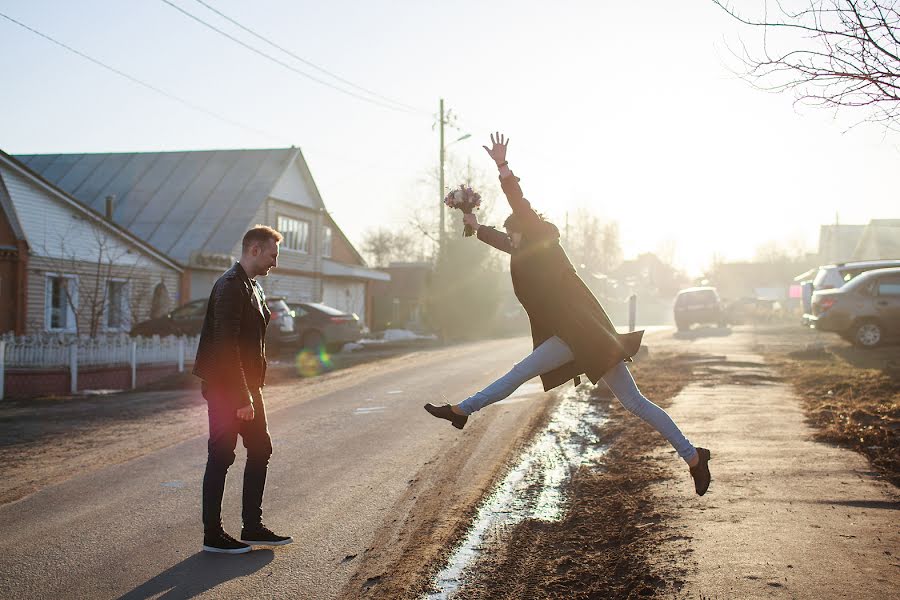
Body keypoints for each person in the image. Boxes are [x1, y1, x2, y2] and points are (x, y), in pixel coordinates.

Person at [425, 133, 712, 496]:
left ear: (525, 232)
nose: (510, 242)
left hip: (578, 335)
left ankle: (462, 410)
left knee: (519, 372)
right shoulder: (526, 251)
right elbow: (499, 239)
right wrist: (473, 222)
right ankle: (693, 458)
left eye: (514, 236)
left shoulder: (544, 245)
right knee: (635, 403)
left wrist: (502, 167)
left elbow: (519, 204)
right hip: (587, 337)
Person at [193, 225, 294, 553]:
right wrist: (241, 396)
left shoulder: (253, 287)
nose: (274, 263)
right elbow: (225, 344)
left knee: (260, 448)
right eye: (272, 255)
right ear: (254, 250)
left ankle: (252, 526)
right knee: (221, 455)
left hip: (247, 386)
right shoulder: (229, 286)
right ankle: (213, 535)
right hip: (227, 388)